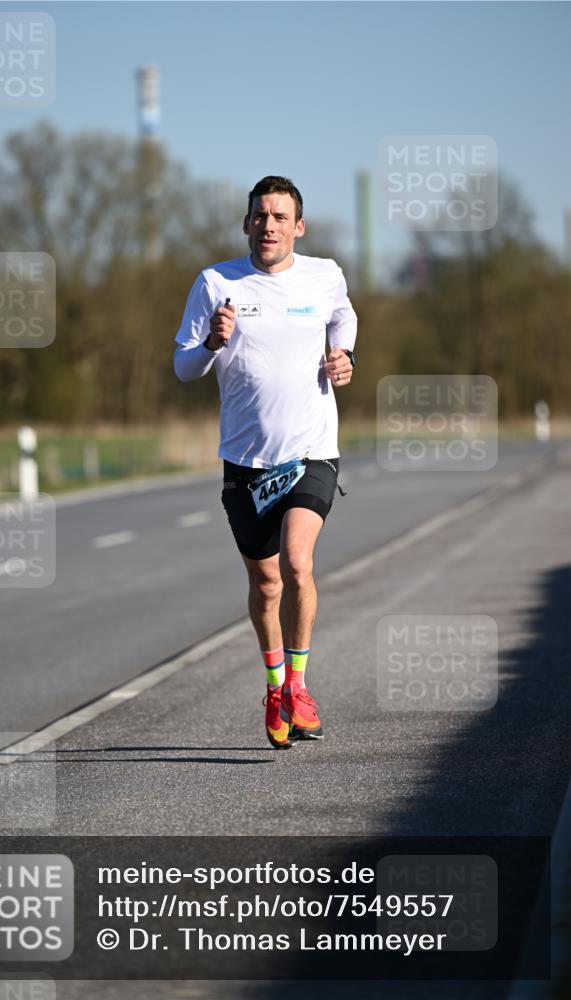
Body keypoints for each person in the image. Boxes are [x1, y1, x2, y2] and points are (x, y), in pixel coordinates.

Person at [174, 176, 357, 749]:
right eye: (260, 216)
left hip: (310, 453)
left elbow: (343, 318)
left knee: (298, 564)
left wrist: (343, 354)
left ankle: (299, 685)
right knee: (267, 581)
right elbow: (182, 368)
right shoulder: (215, 282)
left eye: (280, 217)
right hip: (247, 463)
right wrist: (210, 344)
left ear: (297, 226)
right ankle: (275, 685)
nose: (269, 226)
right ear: (246, 223)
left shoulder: (323, 274)